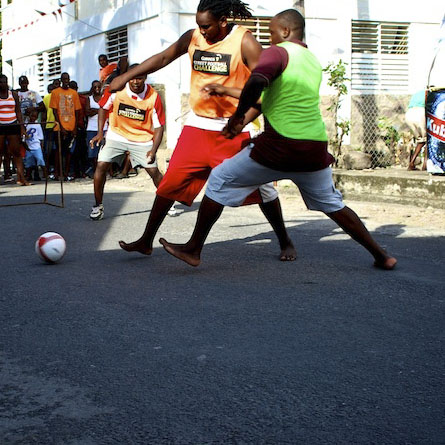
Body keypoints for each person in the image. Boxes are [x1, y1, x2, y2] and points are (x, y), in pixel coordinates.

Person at [158, 9, 397, 271]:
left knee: (219, 178)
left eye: (271, 33)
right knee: (333, 204)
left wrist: (238, 116)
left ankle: (193, 249)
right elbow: (272, 98)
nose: (269, 40)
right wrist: (236, 102)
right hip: (314, 148)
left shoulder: (277, 52)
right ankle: (380, 254)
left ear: (285, 31)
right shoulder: (310, 60)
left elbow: (257, 81)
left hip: (279, 147)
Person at [112, 0, 295, 260]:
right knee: (170, 183)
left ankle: (285, 240)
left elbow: (267, 88)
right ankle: (145, 240)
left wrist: (248, 119)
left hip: (232, 128)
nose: (202, 31)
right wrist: (126, 77)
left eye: (207, 26)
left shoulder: (245, 42)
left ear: (223, 21)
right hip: (198, 124)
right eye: (199, 25)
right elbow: (164, 57)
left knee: (263, 188)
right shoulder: (193, 37)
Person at [89, 65, 166, 220]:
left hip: (141, 138)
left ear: (145, 78)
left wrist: (153, 150)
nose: (136, 81)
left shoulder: (153, 96)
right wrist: (100, 133)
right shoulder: (117, 89)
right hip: (116, 135)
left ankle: (167, 202)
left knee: (154, 172)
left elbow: (159, 126)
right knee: (101, 165)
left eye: (140, 77)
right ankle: (98, 206)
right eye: (132, 77)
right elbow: (103, 108)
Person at [50, 72, 82, 180]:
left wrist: (75, 127)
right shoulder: (55, 92)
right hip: (59, 127)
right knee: (58, 151)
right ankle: (57, 173)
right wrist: (61, 127)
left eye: (67, 79)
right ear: (61, 80)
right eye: (64, 79)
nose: (66, 81)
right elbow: (54, 111)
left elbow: (77, 111)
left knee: (69, 152)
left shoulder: (73, 93)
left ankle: (66, 172)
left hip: (71, 127)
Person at [0, 74, 29, 185]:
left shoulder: (14, 94)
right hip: (1, 125)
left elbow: (18, 111)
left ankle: (21, 178)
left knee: (16, 152)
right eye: (1, 82)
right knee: (0, 153)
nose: (3, 84)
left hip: (12, 124)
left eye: (5, 81)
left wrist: (22, 127)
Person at [85, 80, 108, 177]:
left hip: (104, 127)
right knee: (92, 151)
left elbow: (107, 111)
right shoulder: (89, 99)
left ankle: (104, 172)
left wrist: (95, 111)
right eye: (95, 87)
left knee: (104, 150)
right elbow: (87, 112)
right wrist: (100, 110)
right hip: (91, 128)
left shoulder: (104, 98)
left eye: (99, 87)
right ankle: (94, 171)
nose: (97, 89)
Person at [406, 90, 427, 171]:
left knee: (421, 140)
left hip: (409, 114)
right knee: (429, 139)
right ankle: (425, 165)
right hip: (420, 113)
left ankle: (411, 163)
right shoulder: (429, 92)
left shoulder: (417, 93)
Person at [23, 109, 47, 181]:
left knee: (40, 159)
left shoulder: (37, 125)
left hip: (36, 146)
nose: (33, 118)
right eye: (32, 116)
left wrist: (41, 147)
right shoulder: (25, 125)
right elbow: (23, 137)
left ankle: (45, 174)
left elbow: (41, 137)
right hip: (28, 146)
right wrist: (25, 146)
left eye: (35, 117)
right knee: (28, 162)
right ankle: (28, 175)